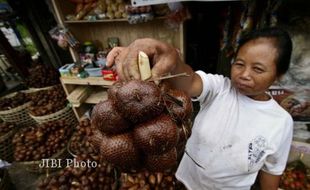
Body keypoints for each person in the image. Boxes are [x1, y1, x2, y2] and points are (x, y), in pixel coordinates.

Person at [106, 27, 293, 190]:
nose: (244, 74)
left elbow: (272, 170)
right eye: (239, 64)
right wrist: (171, 57)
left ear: (279, 76)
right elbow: (190, 81)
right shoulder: (221, 88)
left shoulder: (281, 122)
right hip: (187, 182)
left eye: (258, 69)